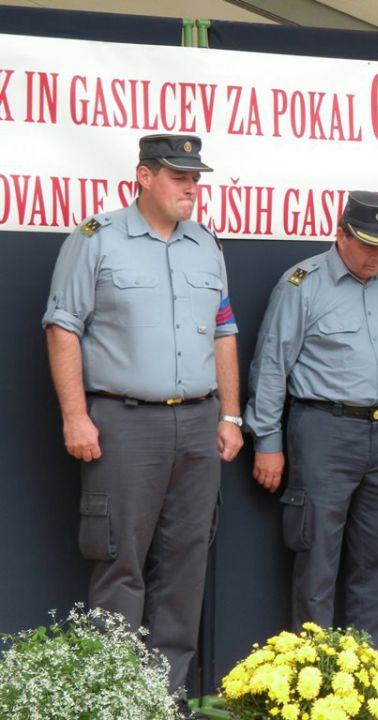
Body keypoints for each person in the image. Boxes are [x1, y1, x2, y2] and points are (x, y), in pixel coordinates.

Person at [42, 134, 243, 712]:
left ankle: (165, 699)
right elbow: (62, 328)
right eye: (180, 177)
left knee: (185, 566)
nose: (191, 188)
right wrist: (75, 415)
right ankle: (116, 700)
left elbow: (224, 331)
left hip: (200, 424)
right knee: (120, 563)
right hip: (124, 423)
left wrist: (230, 413)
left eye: (196, 179)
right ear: (143, 177)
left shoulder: (206, 245)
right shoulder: (96, 239)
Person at [243, 191, 378, 660]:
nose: (376, 257)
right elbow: (271, 366)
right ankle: (314, 675)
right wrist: (267, 441)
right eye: (366, 245)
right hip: (324, 429)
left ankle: (368, 670)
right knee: (317, 555)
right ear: (340, 234)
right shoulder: (303, 284)